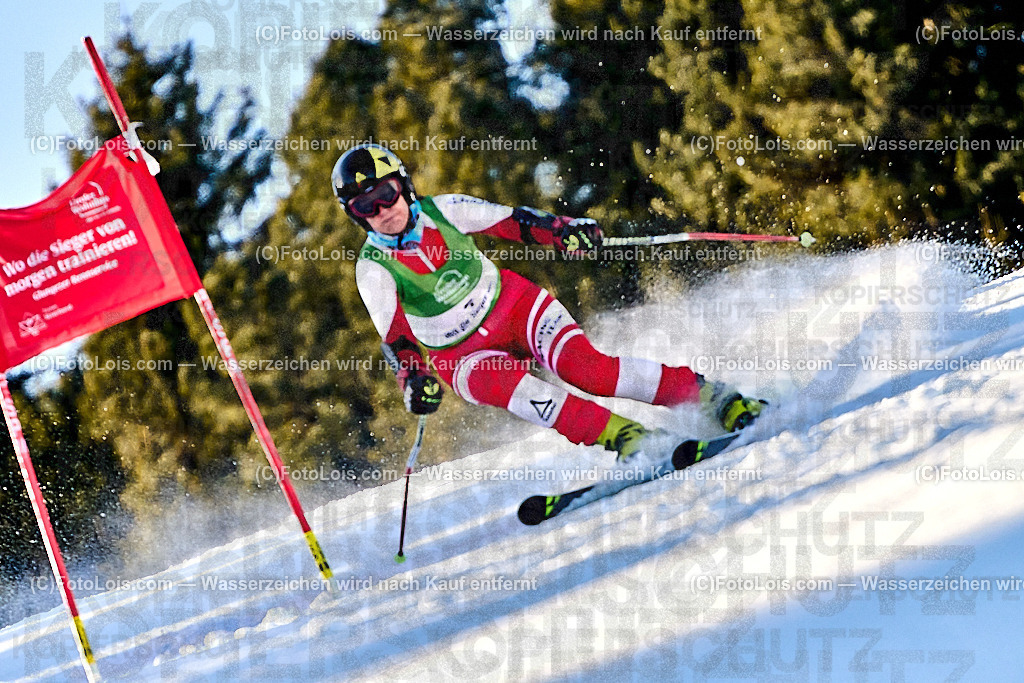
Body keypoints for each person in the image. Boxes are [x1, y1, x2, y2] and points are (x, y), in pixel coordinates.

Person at [332, 143, 763, 463]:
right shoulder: (373, 268)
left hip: (515, 309)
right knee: (520, 391)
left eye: (386, 194)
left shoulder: (444, 210)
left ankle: (714, 399)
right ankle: (631, 439)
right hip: (461, 355)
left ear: (403, 186)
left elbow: (516, 223)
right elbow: (397, 338)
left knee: (589, 371)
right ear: (356, 216)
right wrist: (413, 380)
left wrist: (565, 230)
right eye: (365, 206)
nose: (382, 211)